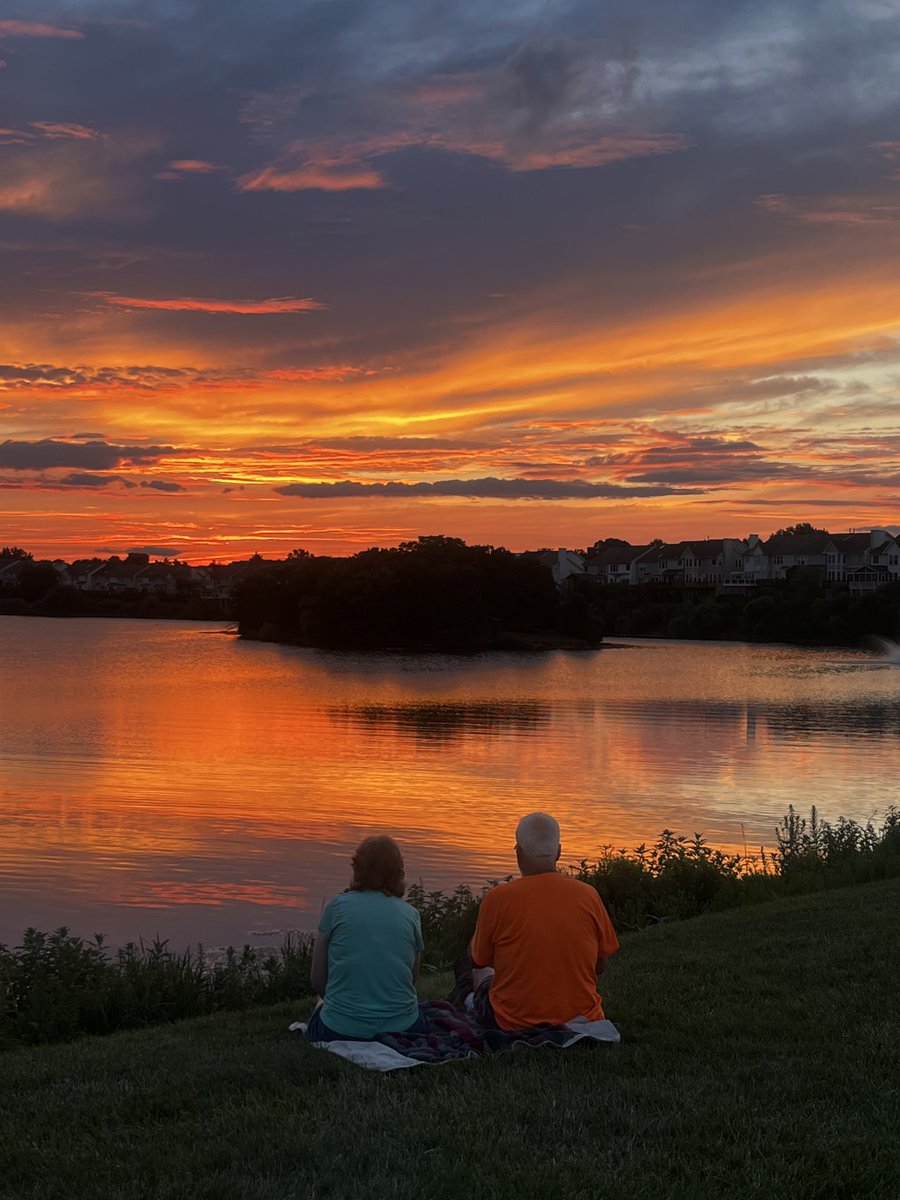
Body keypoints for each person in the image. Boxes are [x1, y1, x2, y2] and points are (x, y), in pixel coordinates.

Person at [465, 812, 619, 1030]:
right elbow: (599, 966)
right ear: (558, 852)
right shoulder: (589, 895)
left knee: (479, 972)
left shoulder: (497, 899)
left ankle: (470, 1001)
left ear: (518, 853)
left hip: (512, 1021)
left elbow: (478, 960)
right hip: (582, 1016)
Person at [306, 835, 430, 1042]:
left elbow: (318, 980)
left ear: (357, 868)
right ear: (399, 872)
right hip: (404, 1028)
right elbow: (412, 978)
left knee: (321, 1000)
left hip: (339, 1030)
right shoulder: (411, 914)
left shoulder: (336, 908)